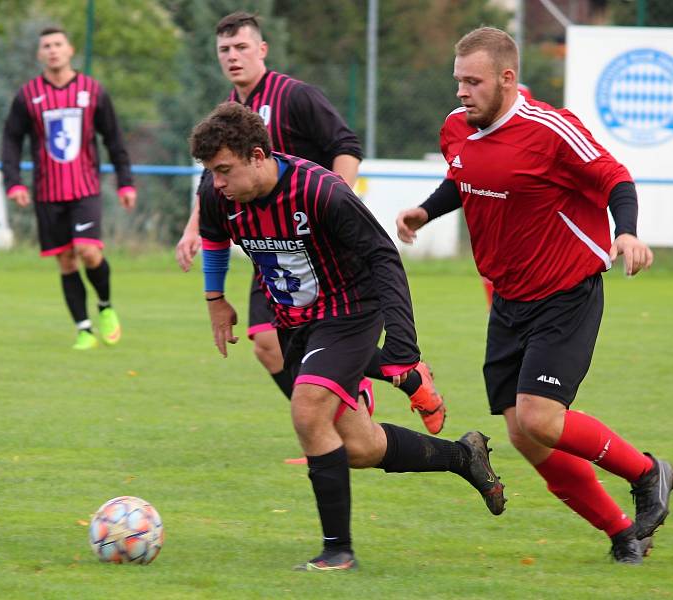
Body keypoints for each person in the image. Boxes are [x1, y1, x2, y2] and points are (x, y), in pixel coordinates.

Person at [395, 27, 673, 565]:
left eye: (472, 81)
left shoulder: (549, 129)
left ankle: (648, 472)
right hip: (509, 300)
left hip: (565, 292)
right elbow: (467, 176)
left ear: (507, 78)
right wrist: (425, 211)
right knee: (526, 437)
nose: (461, 92)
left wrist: (629, 231)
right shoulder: (456, 128)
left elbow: (615, 177)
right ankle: (623, 535)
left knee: (542, 417)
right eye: (457, 81)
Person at [190, 102, 505, 571]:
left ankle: (338, 552)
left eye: (223, 170)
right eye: (211, 172)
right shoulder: (221, 196)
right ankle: (464, 456)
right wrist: (216, 299)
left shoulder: (320, 192)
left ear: (257, 156)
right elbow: (214, 236)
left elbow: (384, 259)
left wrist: (402, 347)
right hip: (295, 322)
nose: (216, 183)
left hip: (349, 312)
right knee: (359, 447)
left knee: (307, 409)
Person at [176, 12, 445, 434]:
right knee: (269, 346)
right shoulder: (228, 113)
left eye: (242, 47)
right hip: (266, 243)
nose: (233, 57)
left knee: (293, 337)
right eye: (224, 50)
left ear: (262, 50)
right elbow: (211, 185)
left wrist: (334, 199)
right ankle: (331, 417)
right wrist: (195, 227)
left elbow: (346, 145)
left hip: (311, 244)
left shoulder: (295, 96)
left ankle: (329, 418)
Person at [1, 26, 136, 350]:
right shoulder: (28, 95)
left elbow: (114, 139)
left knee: (88, 251)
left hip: (84, 188)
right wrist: (13, 182)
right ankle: (85, 330)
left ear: (70, 49)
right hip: (48, 193)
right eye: (46, 45)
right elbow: (10, 140)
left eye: (58, 44)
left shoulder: (93, 91)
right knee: (65, 261)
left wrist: (125, 182)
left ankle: (105, 306)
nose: (52, 50)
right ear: (39, 54)